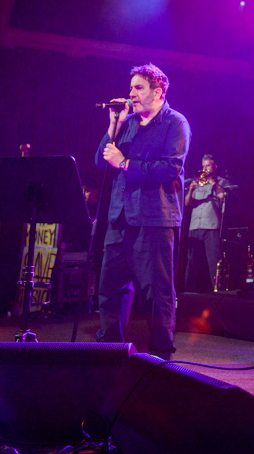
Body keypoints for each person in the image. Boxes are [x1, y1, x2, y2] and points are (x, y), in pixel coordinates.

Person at [95, 63, 191, 359]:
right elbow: (101, 162)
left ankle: (162, 356)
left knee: (156, 292)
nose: (131, 93)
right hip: (120, 217)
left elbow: (170, 169)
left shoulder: (175, 123)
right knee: (110, 290)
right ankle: (109, 353)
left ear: (158, 91)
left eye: (138, 88)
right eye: (131, 87)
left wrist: (125, 163)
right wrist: (114, 125)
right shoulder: (128, 122)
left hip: (155, 218)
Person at [184, 154, 237, 292]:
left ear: (215, 166)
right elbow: (187, 203)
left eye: (207, 166)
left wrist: (213, 183)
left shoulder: (222, 182)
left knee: (214, 264)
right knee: (192, 264)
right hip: (195, 226)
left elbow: (222, 195)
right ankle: (188, 294)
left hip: (212, 227)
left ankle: (218, 294)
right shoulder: (197, 182)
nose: (205, 169)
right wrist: (191, 189)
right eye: (203, 166)